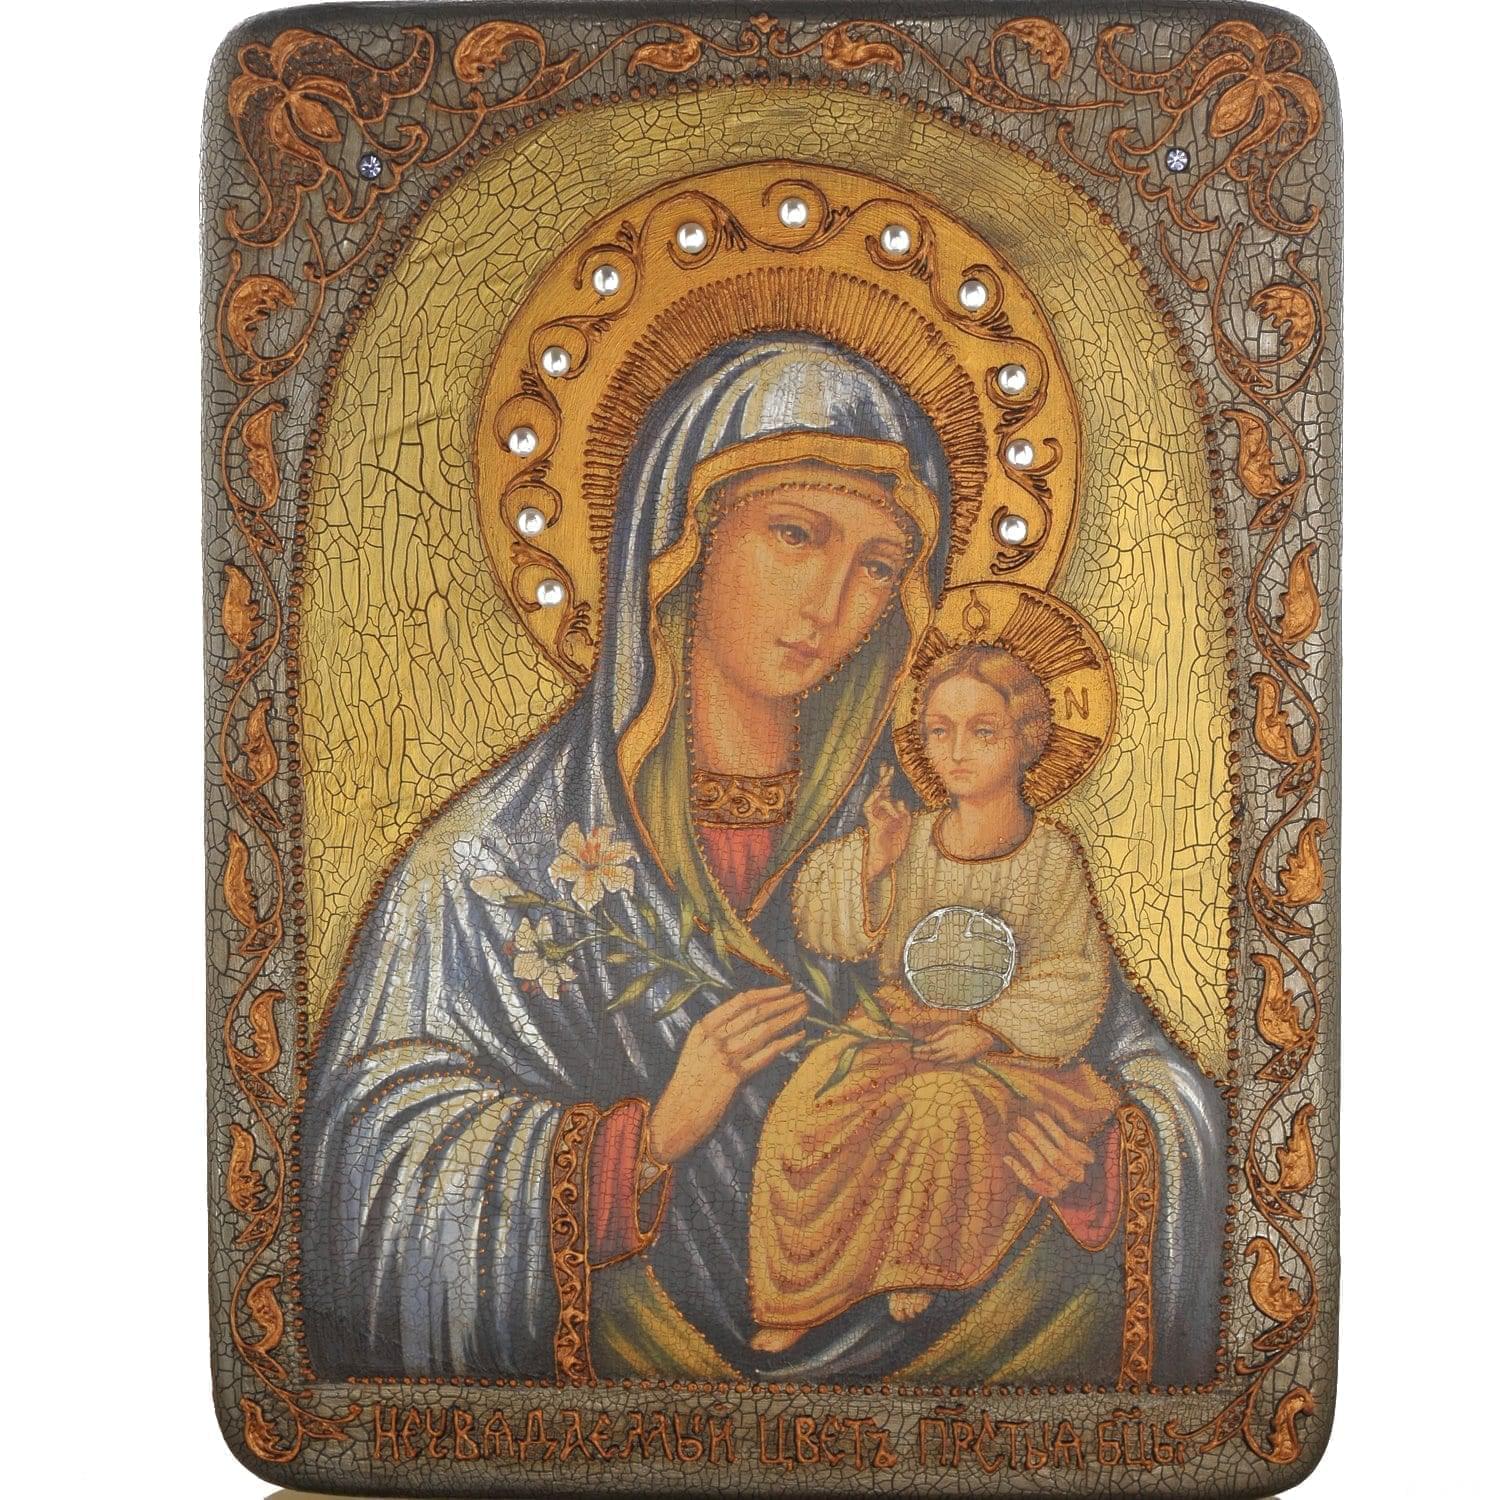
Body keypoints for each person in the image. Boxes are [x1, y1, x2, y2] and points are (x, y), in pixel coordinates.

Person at [299, 332, 1226, 1386]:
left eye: (878, 567)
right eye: (796, 534)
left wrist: (1094, 1163)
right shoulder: (492, 862)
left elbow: (1153, 1085)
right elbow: (369, 1150)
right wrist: (641, 1145)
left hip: (958, 1358)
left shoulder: (952, 837)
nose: (832, 603)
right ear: (683, 545)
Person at [751, 645, 1122, 1353]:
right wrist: (877, 859)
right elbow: (827, 929)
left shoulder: (1051, 856)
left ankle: (913, 1265)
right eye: (939, 731)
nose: (956, 752)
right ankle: (797, 1292)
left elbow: (1074, 974)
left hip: (1010, 1051)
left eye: (982, 731)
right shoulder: (909, 838)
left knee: (942, 1108)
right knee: (802, 1116)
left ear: (1026, 739)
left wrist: (989, 1028)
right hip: (897, 1030)